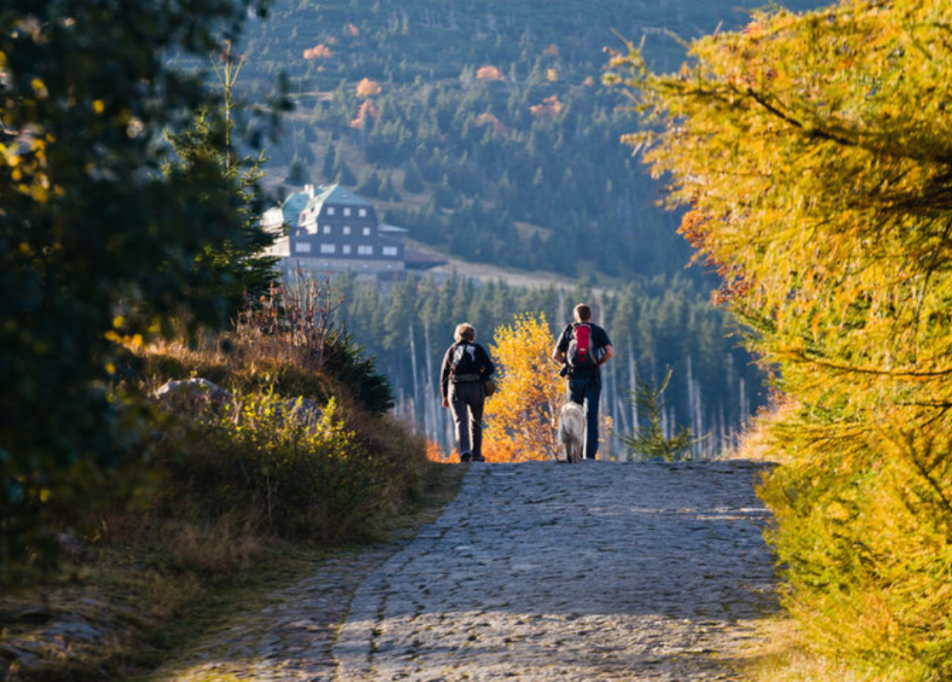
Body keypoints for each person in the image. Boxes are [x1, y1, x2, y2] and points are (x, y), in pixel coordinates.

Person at [552, 304, 613, 460]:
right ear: (590, 315)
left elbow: (555, 355)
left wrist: (566, 364)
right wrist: (598, 363)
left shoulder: (569, 330)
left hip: (574, 378)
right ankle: (589, 455)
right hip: (592, 378)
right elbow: (610, 352)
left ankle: (573, 453)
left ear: (576, 316)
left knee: (572, 415)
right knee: (590, 416)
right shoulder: (598, 331)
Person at [440, 323, 495, 463]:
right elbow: (490, 368)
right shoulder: (477, 348)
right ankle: (476, 454)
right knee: (476, 421)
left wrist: (445, 396)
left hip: (457, 389)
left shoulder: (452, 349)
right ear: (472, 336)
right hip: (476, 388)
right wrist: (480, 377)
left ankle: (464, 453)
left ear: (457, 336)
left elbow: (445, 374)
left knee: (461, 421)